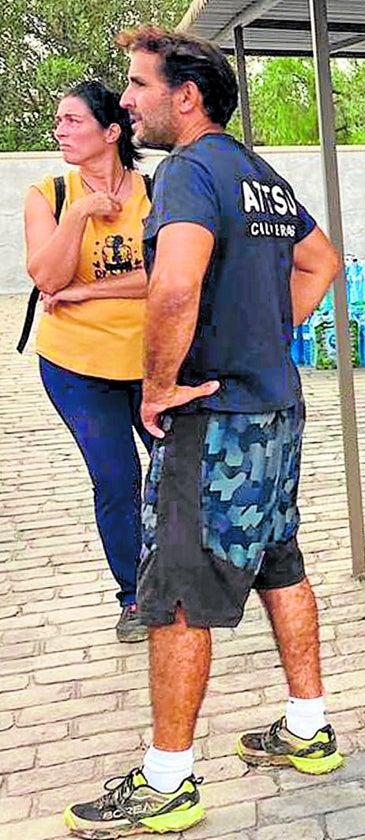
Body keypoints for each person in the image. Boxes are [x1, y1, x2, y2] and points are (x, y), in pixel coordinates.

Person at [66, 27, 345, 838]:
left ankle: (167, 782)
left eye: (138, 84)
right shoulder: (257, 173)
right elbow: (322, 262)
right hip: (274, 412)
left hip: (213, 421)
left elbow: (175, 283)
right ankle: (307, 727)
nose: (126, 99)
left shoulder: (187, 172)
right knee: (278, 563)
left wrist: (157, 385)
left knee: (178, 595)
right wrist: (266, 337)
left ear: (185, 97)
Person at [23, 81, 154, 644]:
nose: (61, 131)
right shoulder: (49, 194)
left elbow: (167, 277)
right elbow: (46, 277)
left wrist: (87, 291)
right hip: (76, 366)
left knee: (177, 475)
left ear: (112, 131)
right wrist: (78, 216)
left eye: (73, 121)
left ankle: (187, 578)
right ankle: (134, 596)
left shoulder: (156, 191)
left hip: (155, 362)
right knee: (116, 478)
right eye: (59, 122)